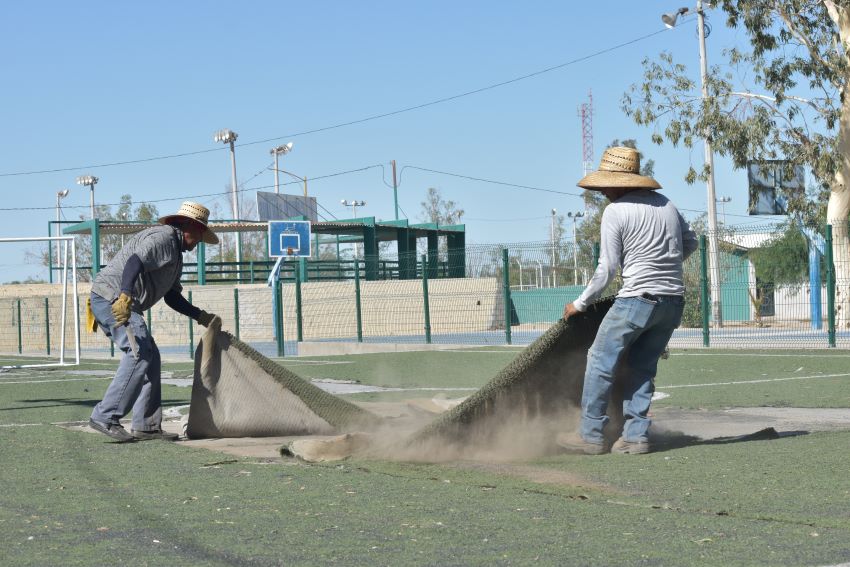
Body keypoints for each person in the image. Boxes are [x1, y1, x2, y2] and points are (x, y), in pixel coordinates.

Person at [559, 146, 698, 455]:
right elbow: (692, 242)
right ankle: (635, 437)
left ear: (617, 182)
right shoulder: (667, 206)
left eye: (606, 185)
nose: (604, 192)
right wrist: (666, 263)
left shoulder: (616, 212)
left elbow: (607, 268)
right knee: (642, 368)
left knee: (599, 361)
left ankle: (591, 435)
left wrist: (580, 304)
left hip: (637, 300)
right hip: (673, 302)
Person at [88, 202, 220, 442]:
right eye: (201, 233)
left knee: (151, 357)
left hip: (120, 298)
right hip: (113, 297)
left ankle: (146, 425)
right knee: (139, 353)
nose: (200, 240)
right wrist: (126, 294)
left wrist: (199, 315)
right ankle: (105, 416)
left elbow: (171, 295)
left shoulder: (176, 255)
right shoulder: (165, 237)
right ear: (190, 225)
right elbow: (135, 262)